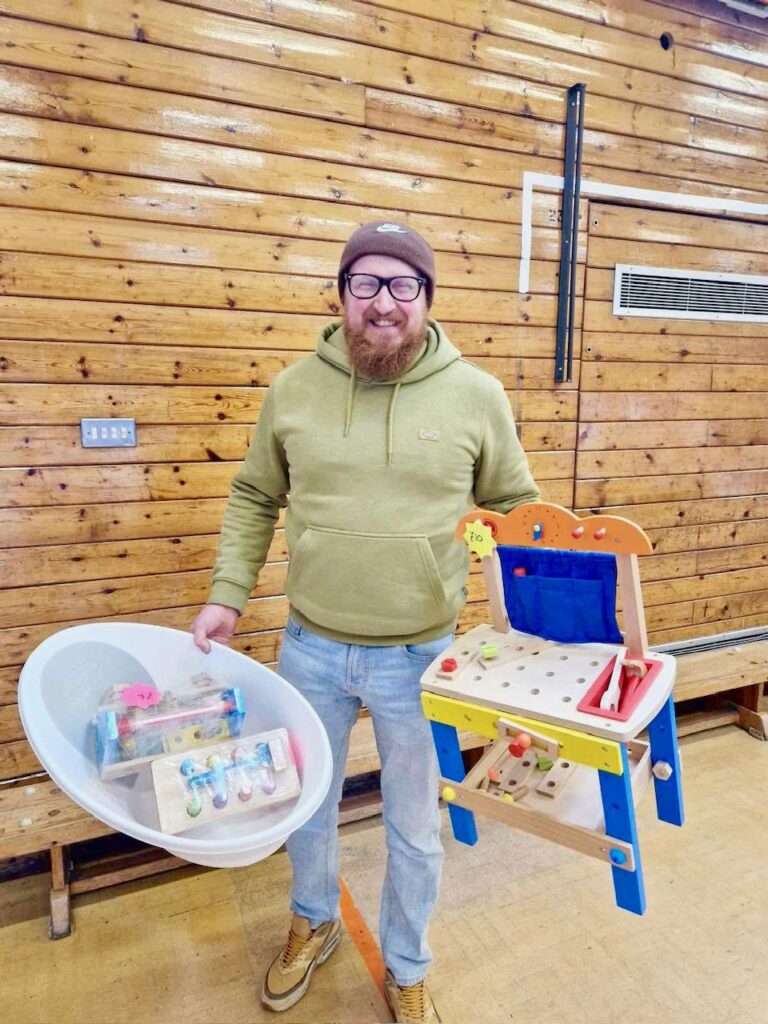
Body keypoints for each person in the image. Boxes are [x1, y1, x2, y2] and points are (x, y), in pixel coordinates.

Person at [191, 221, 540, 1023]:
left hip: (420, 657)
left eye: (402, 285)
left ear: (428, 297)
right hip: (309, 647)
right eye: (366, 284)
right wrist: (227, 593)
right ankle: (313, 922)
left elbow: (518, 506)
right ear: (342, 294)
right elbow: (254, 494)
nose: (384, 303)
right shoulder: (293, 390)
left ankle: (407, 965)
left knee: (414, 826)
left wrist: (533, 620)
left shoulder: (476, 396)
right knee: (305, 808)